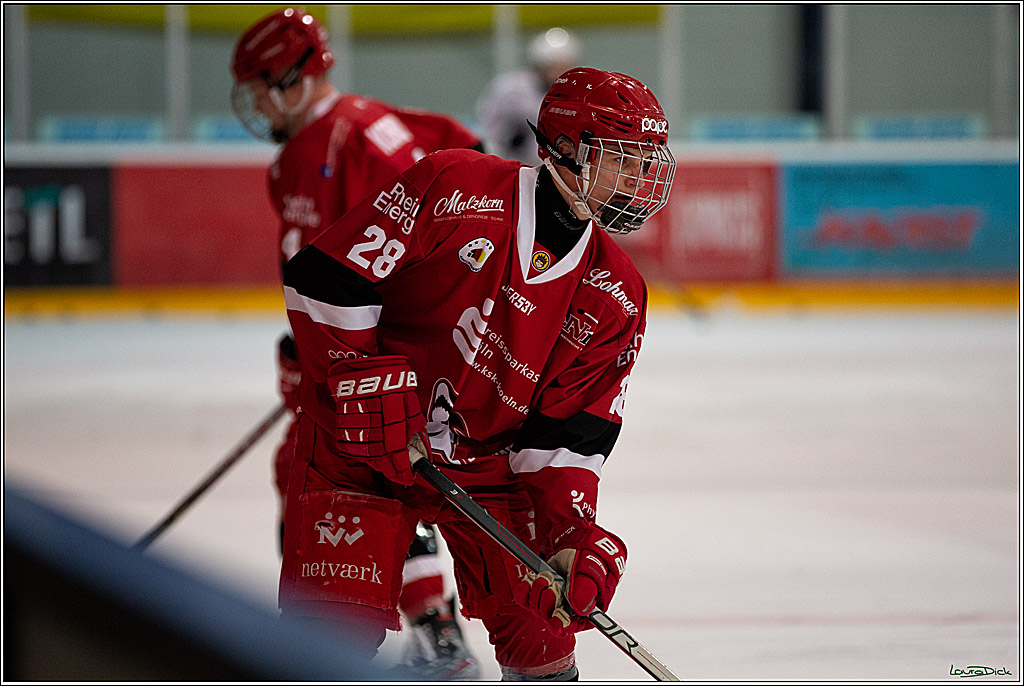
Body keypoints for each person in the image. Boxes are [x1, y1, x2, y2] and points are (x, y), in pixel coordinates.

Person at [279, 66, 677, 680]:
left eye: (647, 158)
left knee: (544, 641)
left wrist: (572, 531)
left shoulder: (617, 292)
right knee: (326, 648)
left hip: (491, 467)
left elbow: (567, 437)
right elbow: (325, 279)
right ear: (566, 150)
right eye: (624, 157)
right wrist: (357, 377)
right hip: (362, 448)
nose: (640, 177)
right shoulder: (456, 186)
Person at [229, 8, 482, 678]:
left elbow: (448, 236)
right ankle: (389, 629)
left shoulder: (372, 138)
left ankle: (433, 632)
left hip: (398, 353)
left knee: (375, 475)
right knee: (311, 468)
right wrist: (305, 354)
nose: (255, 106)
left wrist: (375, 359)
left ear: (293, 78)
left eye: (260, 88)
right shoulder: (291, 162)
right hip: (349, 352)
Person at [475, 27, 580, 164]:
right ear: (539, 65)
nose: (558, 73)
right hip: (514, 166)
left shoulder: (576, 93)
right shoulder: (511, 90)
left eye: (563, 66)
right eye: (553, 66)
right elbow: (490, 131)